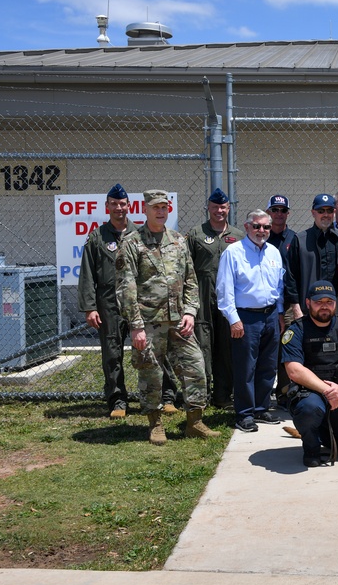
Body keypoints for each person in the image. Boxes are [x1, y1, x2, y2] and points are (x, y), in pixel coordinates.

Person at [116, 189, 220, 445]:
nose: (160, 211)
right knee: (151, 375)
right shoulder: (131, 243)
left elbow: (190, 280)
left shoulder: (178, 240)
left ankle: (194, 422)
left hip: (179, 321)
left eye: (164, 207)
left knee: (195, 368)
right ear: (145, 209)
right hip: (149, 323)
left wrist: (190, 312)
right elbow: (125, 286)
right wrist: (136, 325)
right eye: (155, 207)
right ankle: (156, 424)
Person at [79, 183, 178, 419]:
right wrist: (90, 307)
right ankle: (118, 401)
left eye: (122, 204)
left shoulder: (140, 234)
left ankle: (167, 397)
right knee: (112, 353)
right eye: (114, 204)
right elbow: (87, 274)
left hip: (141, 303)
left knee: (153, 351)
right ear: (107, 207)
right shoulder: (97, 237)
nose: (118, 208)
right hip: (109, 304)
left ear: (129, 206)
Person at [281, 281, 338, 468]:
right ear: (308, 303)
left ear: (335, 303)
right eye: (319, 302)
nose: (324, 306)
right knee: (310, 409)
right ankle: (311, 448)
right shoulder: (296, 330)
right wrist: (328, 391)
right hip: (311, 397)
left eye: (329, 301)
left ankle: (323, 431)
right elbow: (294, 370)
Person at [216, 209, 287, 432]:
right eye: (257, 226)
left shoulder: (274, 253)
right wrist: (234, 320)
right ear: (247, 227)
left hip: (270, 316)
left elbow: (279, 287)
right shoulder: (233, 252)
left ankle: (260, 408)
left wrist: (280, 313)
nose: (262, 231)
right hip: (245, 317)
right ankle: (244, 413)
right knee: (246, 368)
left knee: (267, 366)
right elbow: (224, 290)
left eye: (266, 227)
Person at [187, 188, 244, 409]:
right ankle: (200, 395)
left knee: (226, 348)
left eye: (223, 207)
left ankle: (222, 395)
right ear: (208, 208)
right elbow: (186, 269)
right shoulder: (196, 234)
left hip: (228, 301)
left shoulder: (238, 237)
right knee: (202, 348)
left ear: (228, 208)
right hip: (201, 298)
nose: (219, 210)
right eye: (215, 207)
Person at [266, 193, 302, 404]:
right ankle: (261, 394)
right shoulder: (261, 236)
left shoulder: (294, 239)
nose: (279, 214)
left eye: (283, 210)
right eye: (275, 210)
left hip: (288, 304)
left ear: (288, 213)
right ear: (269, 212)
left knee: (288, 349)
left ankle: (285, 394)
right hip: (266, 304)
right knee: (269, 351)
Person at [291, 193, 338, 316]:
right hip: (309, 307)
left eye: (329, 210)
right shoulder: (300, 240)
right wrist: (296, 308)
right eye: (321, 211)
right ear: (313, 213)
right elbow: (291, 277)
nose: (326, 215)